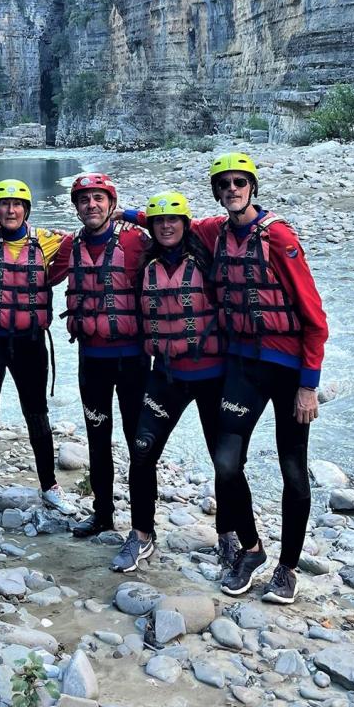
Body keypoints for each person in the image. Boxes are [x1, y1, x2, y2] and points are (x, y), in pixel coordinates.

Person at [189, 152, 329, 605]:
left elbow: (314, 317)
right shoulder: (215, 231)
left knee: (292, 469)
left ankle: (288, 569)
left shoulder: (278, 237)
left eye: (239, 182)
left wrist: (309, 384)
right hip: (243, 367)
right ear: (217, 191)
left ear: (252, 186)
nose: (232, 188)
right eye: (224, 183)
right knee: (227, 462)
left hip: (288, 371)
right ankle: (251, 549)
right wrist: (121, 213)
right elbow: (171, 223)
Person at [110, 190, 235, 574]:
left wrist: (129, 211)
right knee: (142, 451)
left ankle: (229, 536)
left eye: (174, 220)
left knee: (225, 461)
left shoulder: (206, 251)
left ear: (185, 223)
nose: (166, 226)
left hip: (213, 376)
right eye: (158, 220)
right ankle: (142, 533)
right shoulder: (146, 261)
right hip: (166, 376)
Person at [0, 179, 75, 529]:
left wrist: (128, 216)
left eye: (17, 204)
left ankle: (49, 486)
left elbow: (83, 241)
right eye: (4, 205)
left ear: (27, 209)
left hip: (29, 341)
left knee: (36, 413)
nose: (11, 210)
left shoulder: (48, 240)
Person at [48, 173, 150, 539]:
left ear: (111, 203)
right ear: (76, 207)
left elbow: (178, 233)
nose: (91, 205)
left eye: (99, 199)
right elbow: (40, 277)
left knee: (139, 441)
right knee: (97, 436)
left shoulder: (137, 240)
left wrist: (134, 213)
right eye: (84, 200)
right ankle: (103, 514)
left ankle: (143, 527)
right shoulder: (69, 246)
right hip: (92, 359)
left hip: (135, 359)